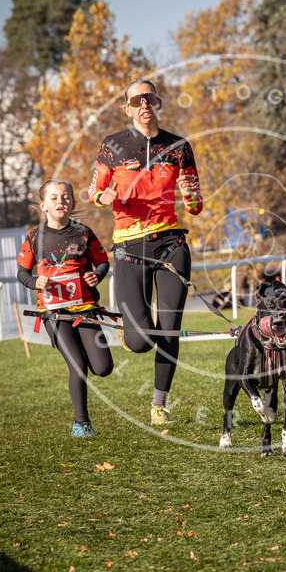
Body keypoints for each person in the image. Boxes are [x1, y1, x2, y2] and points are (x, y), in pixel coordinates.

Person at [87, 78, 203, 426]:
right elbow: (92, 189)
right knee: (139, 343)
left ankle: (158, 405)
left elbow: (195, 206)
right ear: (127, 109)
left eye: (149, 98)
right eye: (136, 100)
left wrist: (188, 194)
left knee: (169, 329)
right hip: (129, 248)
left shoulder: (179, 146)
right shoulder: (114, 146)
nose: (143, 104)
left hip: (171, 245)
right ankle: (130, 329)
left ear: (158, 103)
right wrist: (102, 197)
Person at [17, 178, 114, 437]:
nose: (61, 201)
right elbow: (22, 273)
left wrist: (97, 276)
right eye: (54, 198)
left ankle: (89, 350)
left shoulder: (84, 233)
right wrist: (35, 282)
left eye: (66, 197)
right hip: (54, 315)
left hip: (85, 311)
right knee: (77, 365)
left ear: (72, 203)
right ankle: (81, 423)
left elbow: (103, 262)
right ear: (43, 205)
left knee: (103, 368)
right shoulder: (34, 238)